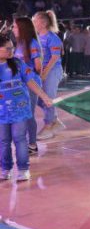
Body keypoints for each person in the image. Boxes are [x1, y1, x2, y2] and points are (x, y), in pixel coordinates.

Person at [0, 34, 53, 181]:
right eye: (7, 48)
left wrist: (44, 96)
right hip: (1, 113)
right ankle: (5, 168)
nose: (11, 50)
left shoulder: (18, 63)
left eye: (12, 47)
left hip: (20, 110)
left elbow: (31, 82)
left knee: (19, 138)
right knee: (3, 141)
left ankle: (23, 169)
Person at [12, 18, 42, 155]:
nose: (13, 29)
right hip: (20, 85)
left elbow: (38, 66)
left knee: (29, 114)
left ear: (22, 28)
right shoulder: (19, 44)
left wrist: (28, 74)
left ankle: (33, 144)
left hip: (30, 84)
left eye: (15, 27)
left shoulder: (32, 43)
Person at [33, 10, 64, 141]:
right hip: (42, 72)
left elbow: (55, 57)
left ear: (44, 23)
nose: (33, 22)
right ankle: (55, 120)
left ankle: (48, 125)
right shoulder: (37, 37)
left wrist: (45, 73)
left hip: (52, 70)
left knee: (48, 98)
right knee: (39, 98)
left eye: (35, 20)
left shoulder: (53, 38)